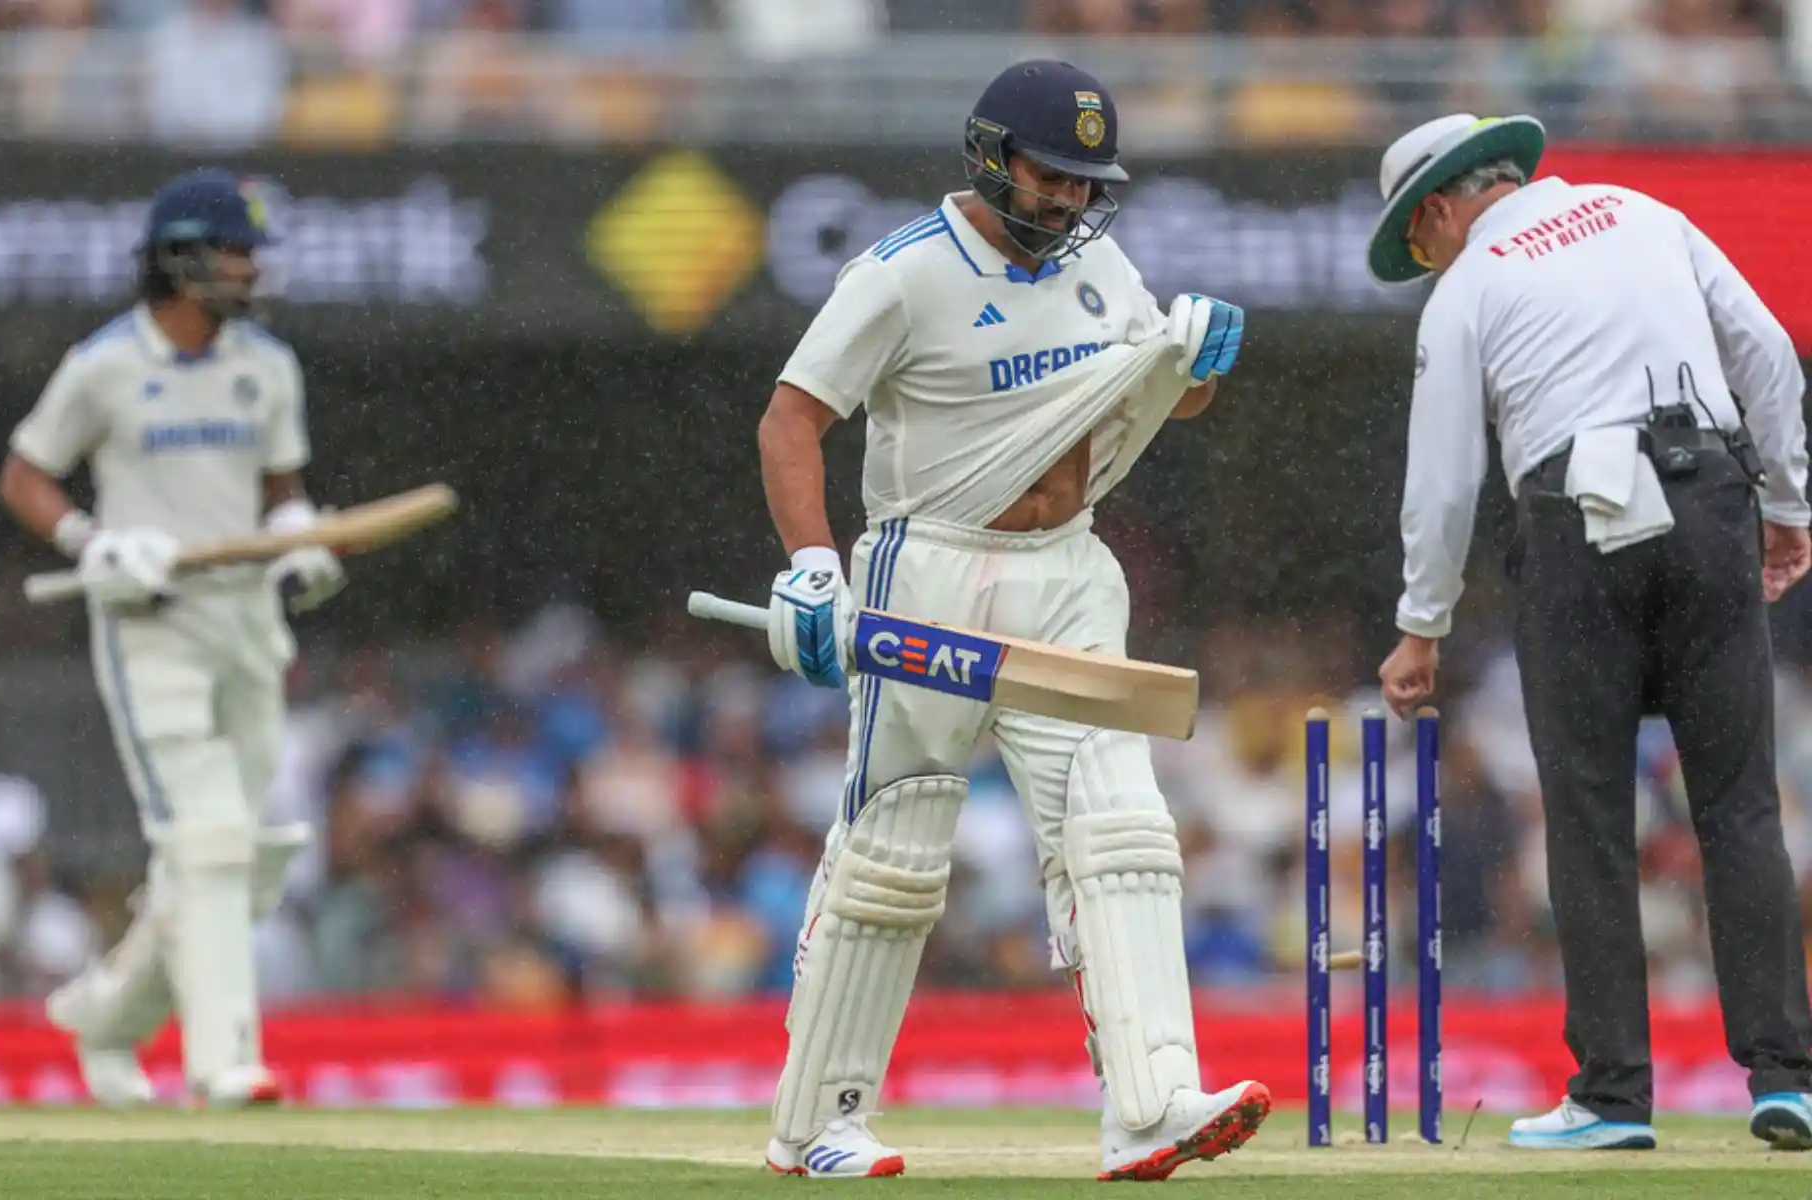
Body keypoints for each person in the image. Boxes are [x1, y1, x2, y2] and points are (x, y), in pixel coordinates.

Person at [753, 59, 1263, 1181]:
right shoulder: (899, 276)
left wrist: (1200, 365)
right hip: (925, 566)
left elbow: (1163, 390)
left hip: (1070, 568)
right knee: (896, 850)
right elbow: (790, 420)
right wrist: (812, 570)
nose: (1071, 201)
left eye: (1089, 183)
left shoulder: (1099, 261)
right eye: (1051, 176)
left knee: (1122, 829)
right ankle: (817, 1123)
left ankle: (1151, 1104)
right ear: (990, 156)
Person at [1369, 112, 1812, 1151]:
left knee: (1588, 813)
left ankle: (1613, 1096)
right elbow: (1766, 355)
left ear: (1438, 206)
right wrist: (1789, 503)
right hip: (1710, 494)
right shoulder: (1645, 212)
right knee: (1741, 804)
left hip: (1577, 522)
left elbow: (1441, 479)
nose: (1427, 259)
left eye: (1419, 240)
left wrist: (1419, 625)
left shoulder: (1468, 287)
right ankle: (1787, 1077)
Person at [0, 168, 343, 1108]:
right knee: (211, 841)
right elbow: (26, 474)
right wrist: (92, 540)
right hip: (151, 628)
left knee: (242, 854)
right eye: (234, 250)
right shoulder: (105, 364)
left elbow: (282, 493)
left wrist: (298, 547)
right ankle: (223, 1060)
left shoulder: (267, 367)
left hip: (245, 624)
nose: (249, 268)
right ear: (181, 257)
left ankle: (108, 1015)